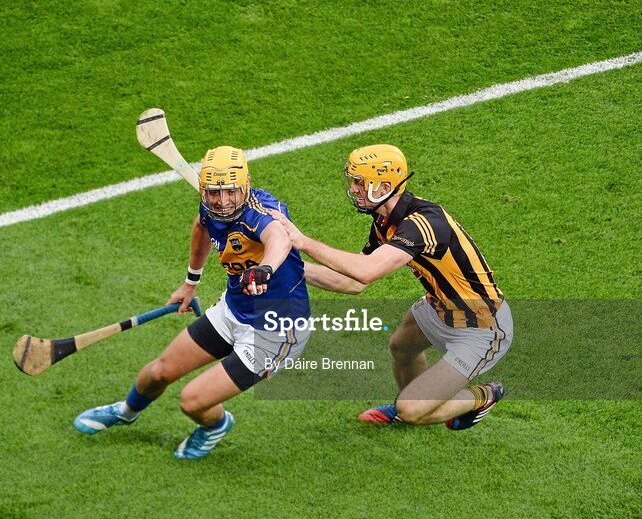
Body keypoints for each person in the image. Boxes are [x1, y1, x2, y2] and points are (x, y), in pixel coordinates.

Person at [73, 146, 310, 458]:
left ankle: (216, 426)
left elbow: (278, 239)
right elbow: (201, 226)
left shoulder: (262, 213)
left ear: (247, 184)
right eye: (214, 193)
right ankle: (126, 412)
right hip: (234, 309)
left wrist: (264, 269)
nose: (223, 202)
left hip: (274, 332)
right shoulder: (210, 208)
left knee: (192, 401)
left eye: (231, 192)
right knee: (158, 372)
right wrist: (190, 282)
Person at [273, 144, 511, 430]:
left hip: (481, 326)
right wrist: (290, 270)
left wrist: (302, 242)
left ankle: (482, 396)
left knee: (412, 410)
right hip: (438, 308)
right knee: (401, 346)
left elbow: (367, 271)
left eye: (360, 183)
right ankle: (412, 402)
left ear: (384, 185)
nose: (354, 189)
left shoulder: (423, 224)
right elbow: (353, 282)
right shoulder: (385, 221)